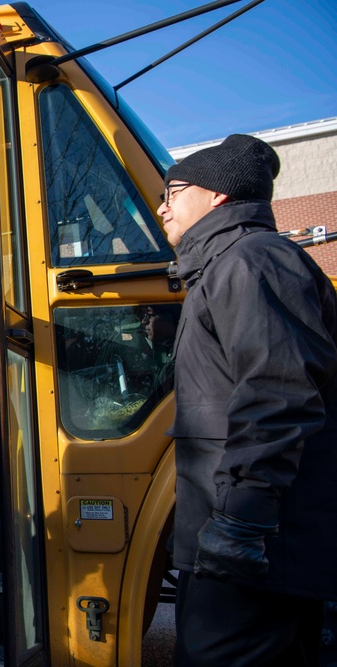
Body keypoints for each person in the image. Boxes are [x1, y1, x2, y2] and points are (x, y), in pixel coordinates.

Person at [158, 134, 337, 666]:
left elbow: (277, 397)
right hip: (243, 541)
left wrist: (240, 523)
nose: (162, 205)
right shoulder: (228, 266)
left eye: (174, 190)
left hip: (253, 547)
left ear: (218, 195)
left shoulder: (252, 261)